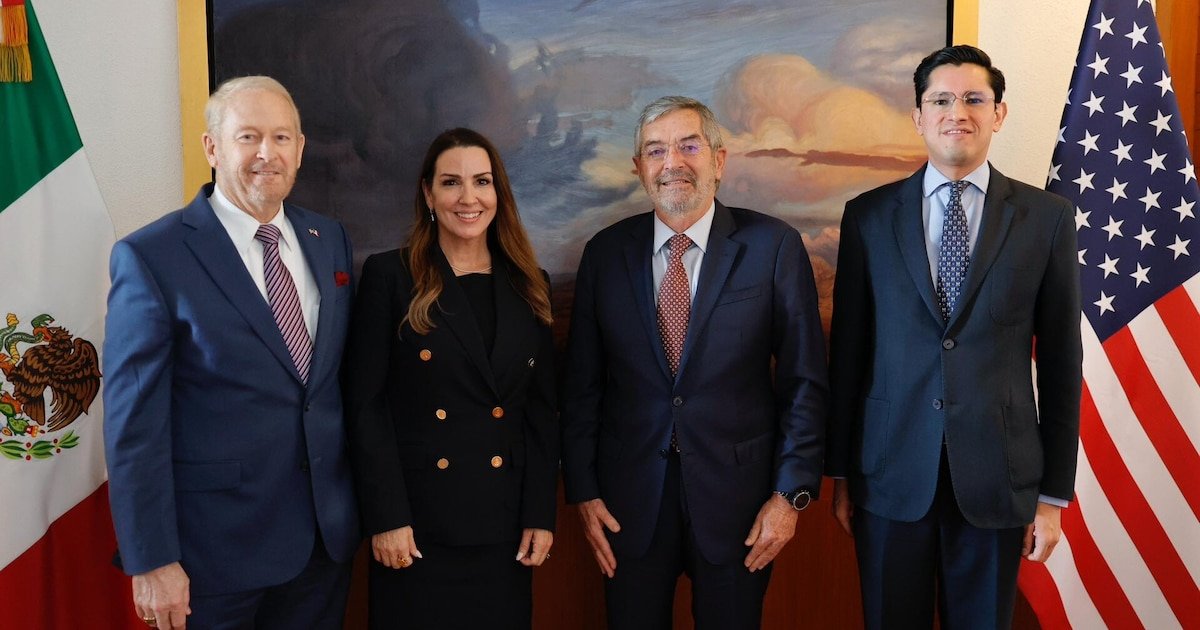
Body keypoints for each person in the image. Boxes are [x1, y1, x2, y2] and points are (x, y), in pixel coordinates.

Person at [826, 45, 1083, 629]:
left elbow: (1062, 365)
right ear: (918, 116)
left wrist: (1053, 497)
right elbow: (848, 354)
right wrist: (840, 473)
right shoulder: (867, 216)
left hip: (999, 481)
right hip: (888, 477)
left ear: (999, 113)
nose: (956, 112)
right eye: (940, 100)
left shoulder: (1046, 218)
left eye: (973, 99)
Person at [561, 96, 828, 629]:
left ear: (719, 160)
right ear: (639, 168)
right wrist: (584, 492)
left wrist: (789, 497)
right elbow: (581, 387)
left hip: (742, 504)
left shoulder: (773, 247)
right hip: (628, 504)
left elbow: (805, 383)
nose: (672, 163)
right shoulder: (605, 254)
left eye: (688, 146)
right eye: (655, 150)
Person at [103, 76, 360, 629]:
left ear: (300, 149)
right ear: (212, 147)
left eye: (282, 137)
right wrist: (152, 559)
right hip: (211, 557)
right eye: (248, 137)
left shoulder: (329, 239)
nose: (268, 153)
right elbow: (134, 425)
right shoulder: (152, 256)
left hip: (322, 546)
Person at [342, 128, 559, 629]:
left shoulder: (530, 283)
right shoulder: (391, 276)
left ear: (498, 193)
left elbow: (541, 413)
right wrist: (387, 517)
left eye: (482, 182)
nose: (468, 198)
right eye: (451, 182)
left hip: (504, 529)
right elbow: (366, 406)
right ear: (428, 193)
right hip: (416, 530)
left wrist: (539, 514)